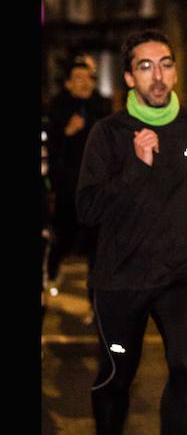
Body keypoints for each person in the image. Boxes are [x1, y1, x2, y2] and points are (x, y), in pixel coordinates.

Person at [76, 30, 187, 435]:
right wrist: (135, 168)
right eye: (144, 67)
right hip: (119, 280)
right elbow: (86, 209)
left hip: (179, 275)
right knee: (116, 374)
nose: (157, 76)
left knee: (185, 367)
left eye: (164, 64)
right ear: (129, 78)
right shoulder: (108, 134)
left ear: (175, 71)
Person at [46, 56, 111, 292]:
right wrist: (66, 132)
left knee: (97, 242)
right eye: (78, 79)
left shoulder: (101, 109)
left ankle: (96, 296)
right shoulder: (57, 109)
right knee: (64, 237)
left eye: (88, 79)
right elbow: (51, 148)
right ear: (68, 84)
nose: (84, 83)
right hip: (68, 186)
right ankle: (51, 273)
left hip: (97, 186)